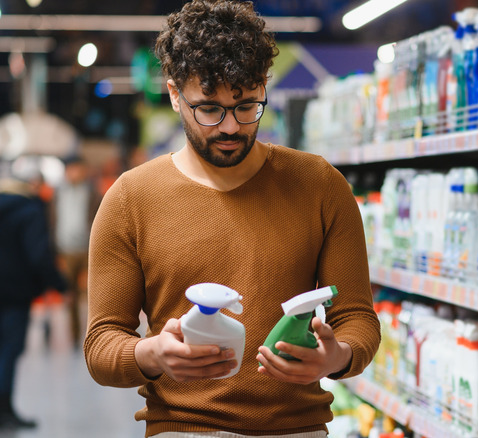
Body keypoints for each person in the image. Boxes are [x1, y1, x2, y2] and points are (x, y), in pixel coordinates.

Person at [83, 1, 380, 437]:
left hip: (297, 428)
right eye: (208, 108)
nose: (229, 127)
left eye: (246, 106)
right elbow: (102, 343)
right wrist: (152, 354)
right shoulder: (131, 199)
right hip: (183, 428)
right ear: (173, 94)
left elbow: (357, 316)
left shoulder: (320, 185)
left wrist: (338, 357)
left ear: (264, 86)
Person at [0, 176, 66, 430]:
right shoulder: (30, 210)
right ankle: (4, 410)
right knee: (9, 351)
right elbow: (39, 254)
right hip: (16, 293)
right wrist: (58, 284)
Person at [52, 155, 100, 347]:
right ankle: (73, 336)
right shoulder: (58, 193)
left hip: (89, 249)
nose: (74, 173)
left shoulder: (93, 193)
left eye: (77, 169)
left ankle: (95, 334)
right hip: (66, 250)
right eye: (71, 169)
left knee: (93, 293)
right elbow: (53, 220)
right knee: (69, 294)